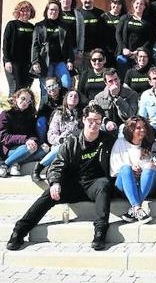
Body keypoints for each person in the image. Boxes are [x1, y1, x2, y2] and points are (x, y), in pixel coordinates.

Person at [6, 104, 115, 251]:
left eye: (97, 121)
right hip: (74, 184)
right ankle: (19, 231)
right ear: (83, 120)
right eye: (90, 120)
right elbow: (58, 164)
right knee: (48, 194)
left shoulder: (107, 140)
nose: (94, 124)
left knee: (104, 184)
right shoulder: (73, 141)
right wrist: (55, 182)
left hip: (95, 184)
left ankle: (100, 233)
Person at [110, 116, 156, 223]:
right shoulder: (120, 142)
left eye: (144, 127)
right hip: (124, 183)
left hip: (143, 183)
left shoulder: (149, 144)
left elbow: (152, 166)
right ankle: (137, 207)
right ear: (130, 130)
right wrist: (131, 169)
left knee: (149, 166)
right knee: (126, 168)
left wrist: (141, 170)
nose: (142, 130)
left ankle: (135, 208)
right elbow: (114, 169)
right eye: (138, 128)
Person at [31, 90, 82, 182]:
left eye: (76, 96)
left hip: (76, 146)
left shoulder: (83, 114)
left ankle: (51, 170)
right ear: (66, 98)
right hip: (59, 145)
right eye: (70, 96)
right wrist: (61, 140)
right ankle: (38, 168)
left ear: (79, 100)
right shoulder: (58, 113)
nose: (73, 98)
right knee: (63, 147)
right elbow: (51, 135)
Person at [31, 0, 75, 97]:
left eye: (56, 10)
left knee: (66, 84)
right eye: (51, 9)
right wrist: (35, 62)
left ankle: (63, 108)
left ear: (59, 12)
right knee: (46, 89)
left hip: (61, 62)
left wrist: (70, 61)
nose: (53, 12)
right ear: (47, 11)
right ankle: (45, 111)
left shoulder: (64, 26)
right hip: (45, 62)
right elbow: (35, 45)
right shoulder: (39, 26)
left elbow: (69, 46)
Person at [0, 89, 46, 178]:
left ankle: (16, 162)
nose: (25, 102)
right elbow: (3, 137)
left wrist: (33, 139)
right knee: (29, 148)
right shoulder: (6, 114)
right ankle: (5, 165)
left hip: (24, 146)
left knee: (45, 148)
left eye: (28, 101)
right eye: (23, 98)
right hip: (8, 149)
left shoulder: (29, 115)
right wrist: (25, 140)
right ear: (16, 98)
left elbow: (32, 133)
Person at [116, 0, 154, 80]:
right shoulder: (125, 18)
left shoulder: (147, 21)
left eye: (141, 4)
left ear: (144, 7)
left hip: (140, 55)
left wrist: (139, 51)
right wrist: (124, 48)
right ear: (133, 4)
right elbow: (118, 34)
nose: (139, 6)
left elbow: (150, 39)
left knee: (138, 78)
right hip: (125, 54)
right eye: (137, 3)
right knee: (123, 77)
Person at [3, 1, 36, 94]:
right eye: (23, 10)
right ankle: (13, 108)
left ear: (31, 12)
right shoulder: (12, 25)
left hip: (27, 63)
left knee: (26, 88)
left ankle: (24, 108)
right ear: (18, 12)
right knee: (15, 88)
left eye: (28, 11)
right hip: (13, 62)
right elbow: (6, 44)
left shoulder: (32, 27)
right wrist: (7, 60)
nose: (25, 13)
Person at [93, 68, 139, 134]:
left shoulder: (131, 94)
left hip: (127, 131)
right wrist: (106, 122)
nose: (115, 83)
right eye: (110, 81)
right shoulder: (99, 98)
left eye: (116, 79)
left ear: (119, 79)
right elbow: (96, 117)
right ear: (105, 83)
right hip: (106, 131)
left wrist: (117, 98)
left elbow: (131, 115)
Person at [36, 76, 67, 145]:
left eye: (53, 86)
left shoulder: (67, 96)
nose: (51, 89)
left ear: (59, 86)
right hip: (51, 125)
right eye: (49, 87)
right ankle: (43, 143)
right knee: (40, 121)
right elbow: (39, 115)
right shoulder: (45, 100)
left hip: (65, 123)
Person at [57, 0, 84, 64]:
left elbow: (81, 34)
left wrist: (80, 50)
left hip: (73, 50)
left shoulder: (78, 15)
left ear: (72, 0)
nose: (66, 0)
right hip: (58, 49)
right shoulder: (56, 12)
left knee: (73, 73)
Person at [78, 0, 106, 64]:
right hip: (81, 53)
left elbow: (104, 34)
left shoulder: (101, 14)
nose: (88, 0)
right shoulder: (77, 14)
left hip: (96, 54)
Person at [100, 0, 127, 65]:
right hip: (107, 50)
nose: (116, 6)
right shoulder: (103, 17)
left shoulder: (125, 17)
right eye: (114, 3)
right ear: (111, 4)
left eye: (119, 4)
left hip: (120, 50)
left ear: (122, 6)